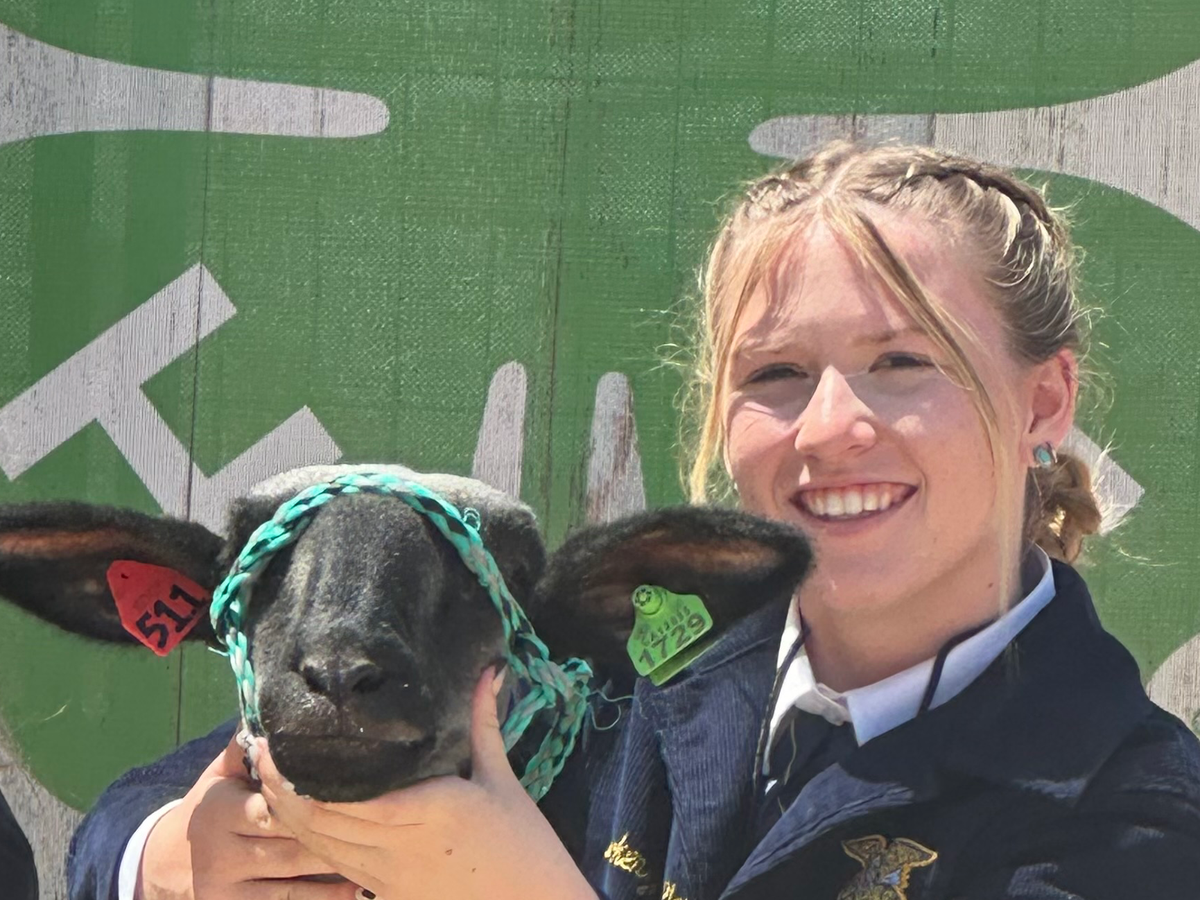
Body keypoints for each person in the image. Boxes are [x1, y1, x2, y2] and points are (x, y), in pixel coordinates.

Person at [67, 141, 1200, 900]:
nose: (830, 429)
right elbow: (141, 811)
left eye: (903, 362)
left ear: (1044, 402)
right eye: (776, 374)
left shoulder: (1135, 818)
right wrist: (175, 859)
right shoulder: (607, 665)